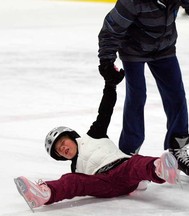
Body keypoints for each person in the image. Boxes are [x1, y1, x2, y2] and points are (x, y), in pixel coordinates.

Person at [14, 74, 179, 211]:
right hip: (103, 183)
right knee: (72, 181)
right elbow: (78, 185)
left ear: (71, 136)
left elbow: (105, 110)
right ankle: (44, 194)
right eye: (58, 150)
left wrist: (110, 84)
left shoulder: (94, 134)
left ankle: (159, 170)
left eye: (63, 142)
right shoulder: (75, 168)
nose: (63, 148)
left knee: (136, 162)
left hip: (123, 169)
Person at [98, 0, 189, 177]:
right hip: (133, 50)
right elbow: (111, 28)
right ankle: (129, 153)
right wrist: (106, 61)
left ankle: (177, 149)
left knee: (176, 95)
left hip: (164, 48)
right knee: (137, 96)